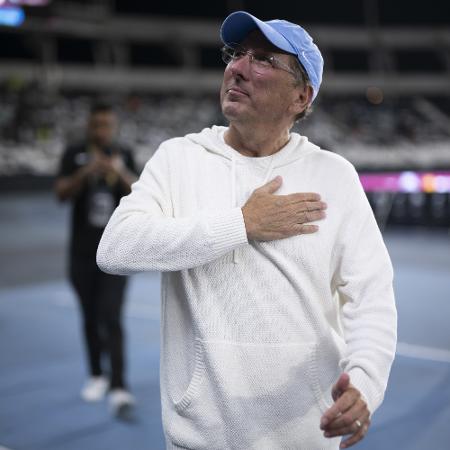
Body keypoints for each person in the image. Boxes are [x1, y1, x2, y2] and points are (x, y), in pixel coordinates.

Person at [97, 11, 397, 449]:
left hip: (305, 436)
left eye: (263, 60)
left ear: (301, 96)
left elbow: (371, 297)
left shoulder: (334, 176)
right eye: (236, 55)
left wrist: (365, 382)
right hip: (198, 438)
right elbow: (115, 248)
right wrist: (241, 223)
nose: (236, 68)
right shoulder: (179, 158)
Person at [55, 102, 138, 418]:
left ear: (113, 127)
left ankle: (119, 384)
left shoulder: (124, 154)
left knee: (111, 316)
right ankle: (96, 374)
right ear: (89, 127)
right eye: (97, 125)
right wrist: (85, 172)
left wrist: (117, 172)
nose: (102, 131)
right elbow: (59, 194)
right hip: (81, 253)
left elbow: (140, 193)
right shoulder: (74, 153)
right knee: (89, 316)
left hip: (117, 252)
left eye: (107, 125)